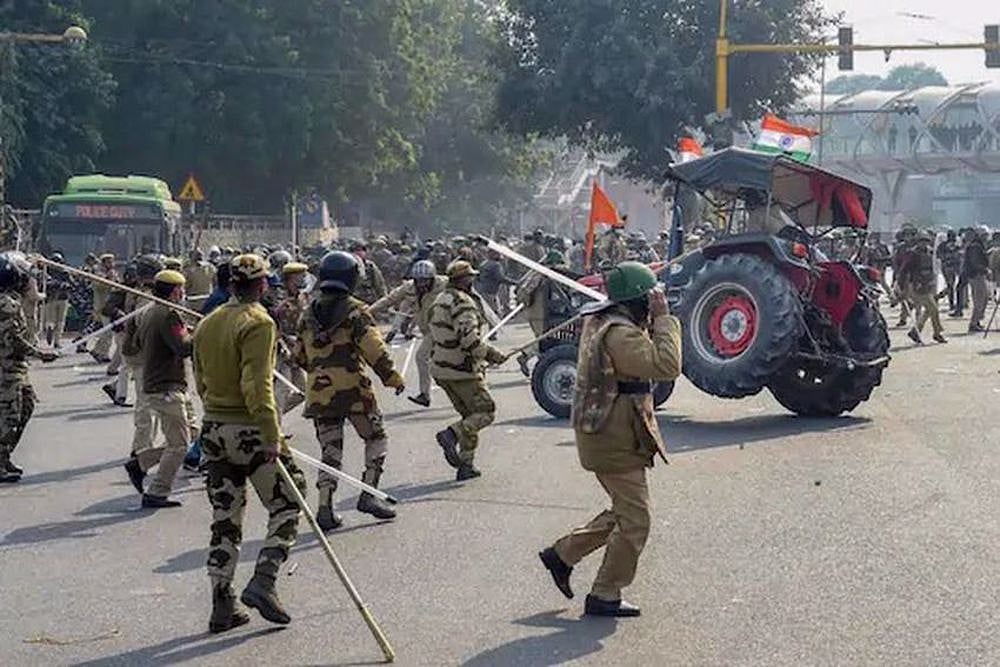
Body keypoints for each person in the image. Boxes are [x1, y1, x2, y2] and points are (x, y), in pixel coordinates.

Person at [538, 262, 681, 617]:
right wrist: (664, 320)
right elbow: (666, 365)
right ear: (637, 300)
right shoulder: (620, 334)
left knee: (626, 511)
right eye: (650, 298)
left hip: (609, 433)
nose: (654, 303)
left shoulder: (605, 321)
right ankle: (604, 594)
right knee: (637, 520)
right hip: (613, 439)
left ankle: (563, 554)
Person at [193, 253, 305, 632]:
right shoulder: (258, 322)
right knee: (291, 501)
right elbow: (257, 385)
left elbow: (201, 382)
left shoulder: (207, 323)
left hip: (213, 428)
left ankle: (221, 602)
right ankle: (265, 579)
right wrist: (271, 434)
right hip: (248, 430)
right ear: (260, 286)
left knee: (226, 518)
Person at [294, 251, 403, 531]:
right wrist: (393, 379)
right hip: (354, 392)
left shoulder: (307, 314)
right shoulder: (356, 311)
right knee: (376, 438)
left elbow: (299, 356)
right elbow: (375, 351)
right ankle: (369, 495)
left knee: (330, 451)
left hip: (320, 393)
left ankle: (325, 508)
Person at [429, 260, 507, 481]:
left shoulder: (440, 300)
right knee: (485, 412)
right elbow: (470, 340)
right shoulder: (463, 303)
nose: (473, 280)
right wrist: (492, 354)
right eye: (470, 277)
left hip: (441, 369)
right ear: (463, 280)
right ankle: (450, 434)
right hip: (461, 370)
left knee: (470, 417)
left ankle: (466, 465)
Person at [122, 270, 194, 508]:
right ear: (175, 291)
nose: (183, 294)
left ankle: (141, 462)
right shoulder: (168, 315)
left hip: (157, 382)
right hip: (166, 385)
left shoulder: (150, 311)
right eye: (181, 289)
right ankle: (157, 492)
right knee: (180, 445)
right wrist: (202, 334)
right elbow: (183, 348)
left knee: (185, 435)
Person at [0, 253, 58, 483]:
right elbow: (12, 339)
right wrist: (39, 353)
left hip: (15, 368)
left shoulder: (10, 300)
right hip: (6, 369)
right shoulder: (6, 304)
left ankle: (3, 458)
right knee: (9, 416)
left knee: (26, 405)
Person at [370, 259, 447, 407]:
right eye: (419, 280)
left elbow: (466, 292)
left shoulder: (444, 284)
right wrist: (368, 311)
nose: (422, 284)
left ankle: (424, 395)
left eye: (425, 280)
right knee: (443, 366)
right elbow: (389, 300)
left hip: (441, 328)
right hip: (426, 330)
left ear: (432, 278)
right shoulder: (409, 288)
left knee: (421, 357)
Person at [272, 261, 310, 415]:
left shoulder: (302, 297)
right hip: (281, 349)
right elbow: (273, 324)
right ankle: (274, 428)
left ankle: (272, 418)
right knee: (282, 390)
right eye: (300, 276)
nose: (303, 279)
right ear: (290, 278)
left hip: (296, 350)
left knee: (302, 392)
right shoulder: (278, 297)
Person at [903, 232, 947, 345]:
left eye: (926, 241)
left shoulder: (931, 252)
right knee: (934, 309)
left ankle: (915, 331)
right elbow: (904, 270)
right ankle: (937, 333)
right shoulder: (913, 254)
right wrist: (903, 287)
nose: (924, 244)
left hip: (929, 284)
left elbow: (935, 267)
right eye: (922, 241)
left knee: (929, 310)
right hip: (917, 285)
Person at [90, 253, 119, 363]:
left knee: (108, 330)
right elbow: (99, 286)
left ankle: (100, 351)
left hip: (111, 305)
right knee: (107, 331)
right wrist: (109, 278)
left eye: (113, 261)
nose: (112, 264)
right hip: (102, 305)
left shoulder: (113, 272)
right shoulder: (99, 273)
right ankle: (100, 352)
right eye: (109, 261)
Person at [42, 252, 73, 347]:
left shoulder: (48, 271)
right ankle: (56, 341)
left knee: (52, 319)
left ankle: (50, 329)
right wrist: (62, 285)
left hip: (53, 298)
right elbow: (71, 284)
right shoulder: (50, 272)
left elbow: (70, 284)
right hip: (58, 298)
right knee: (60, 321)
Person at [965, 226, 990, 332]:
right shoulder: (976, 246)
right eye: (985, 235)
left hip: (979, 274)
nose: (987, 237)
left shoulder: (979, 245)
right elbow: (975, 263)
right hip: (976, 275)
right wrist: (986, 270)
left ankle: (977, 320)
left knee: (984, 297)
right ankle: (974, 323)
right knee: (979, 300)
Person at [937, 229, 961, 312]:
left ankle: (944, 297)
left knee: (951, 286)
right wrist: (948, 258)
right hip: (947, 267)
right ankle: (950, 303)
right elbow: (939, 255)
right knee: (950, 286)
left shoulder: (956, 245)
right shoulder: (943, 246)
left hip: (953, 267)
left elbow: (959, 255)